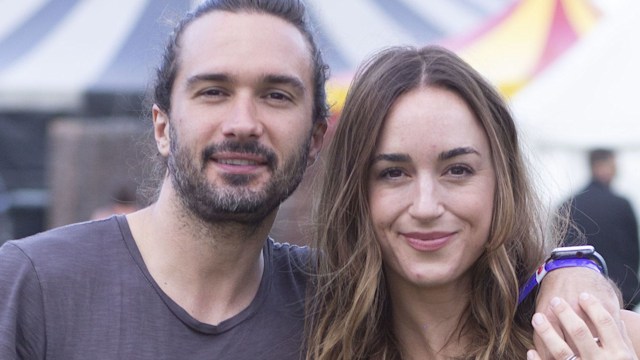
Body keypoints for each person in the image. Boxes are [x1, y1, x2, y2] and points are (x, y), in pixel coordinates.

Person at [0, 1, 628, 359]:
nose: (243, 122)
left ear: (317, 138)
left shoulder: (324, 302)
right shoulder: (33, 286)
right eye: (214, 91)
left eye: (277, 95)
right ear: (162, 125)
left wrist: (569, 269)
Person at [304, 45, 640, 359]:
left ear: (502, 181)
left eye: (457, 170)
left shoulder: (599, 341)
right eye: (393, 173)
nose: (425, 207)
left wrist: (573, 266)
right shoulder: (306, 335)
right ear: (354, 189)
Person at [561, 148, 640, 310]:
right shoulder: (621, 204)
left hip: (579, 294)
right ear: (602, 166)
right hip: (620, 293)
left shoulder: (569, 204)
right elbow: (633, 252)